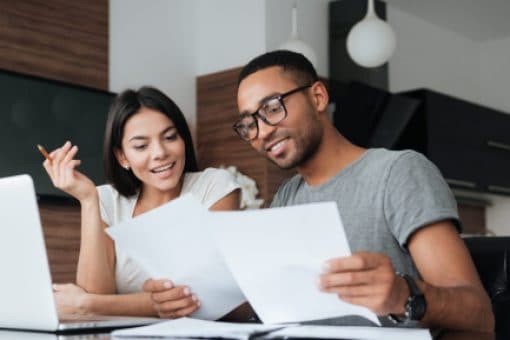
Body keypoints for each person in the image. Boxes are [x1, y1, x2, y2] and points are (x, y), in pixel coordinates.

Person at [230, 50, 494, 332]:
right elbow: (271, 300)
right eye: (249, 124)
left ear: (317, 97)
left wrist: (402, 295)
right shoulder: (286, 196)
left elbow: (478, 314)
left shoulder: (398, 172)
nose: (262, 133)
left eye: (272, 108)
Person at [42, 86, 241, 319]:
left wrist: (89, 305)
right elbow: (95, 293)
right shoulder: (107, 200)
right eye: (141, 146)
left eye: (169, 137)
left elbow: (200, 296)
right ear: (122, 157)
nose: (159, 153)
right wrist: (88, 200)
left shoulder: (215, 187)